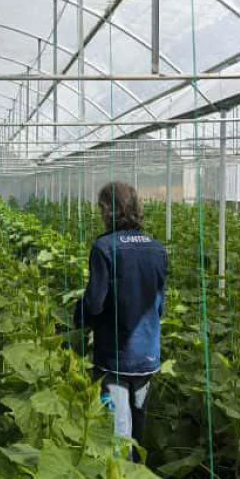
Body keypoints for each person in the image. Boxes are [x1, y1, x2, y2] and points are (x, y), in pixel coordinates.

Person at [75, 181, 167, 452]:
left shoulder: (104, 248)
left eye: (102, 208)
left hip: (114, 355)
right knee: (138, 428)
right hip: (147, 354)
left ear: (108, 210)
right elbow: (159, 304)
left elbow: (95, 303)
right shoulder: (157, 248)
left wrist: (79, 320)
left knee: (117, 433)